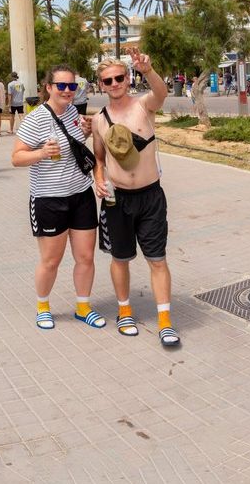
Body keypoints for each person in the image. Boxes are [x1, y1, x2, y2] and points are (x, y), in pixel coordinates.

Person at [92, 53, 179, 347]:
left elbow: (161, 93)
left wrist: (149, 70)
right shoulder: (99, 120)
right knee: (120, 258)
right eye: (108, 80)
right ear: (101, 85)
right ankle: (125, 312)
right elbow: (99, 159)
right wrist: (98, 179)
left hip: (150, 196)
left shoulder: (143, 106)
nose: (115, 83)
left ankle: (165, 321)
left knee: (157, 259)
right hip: (117, 200)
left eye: (120, 77)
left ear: (128, 78)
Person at [11, 64, 102, 332]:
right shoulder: (35, 119)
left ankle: (83, 308)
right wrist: (41, 153)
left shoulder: (73, 112)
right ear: (49, 87)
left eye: (72, 86)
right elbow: (16, 158)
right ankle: (43, 307)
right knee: (51, 260)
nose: (67, 90)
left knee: (85, 257)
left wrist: (86, 132)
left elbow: (74, 144)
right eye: (61, 85)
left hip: (81, 194)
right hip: (49, 199)